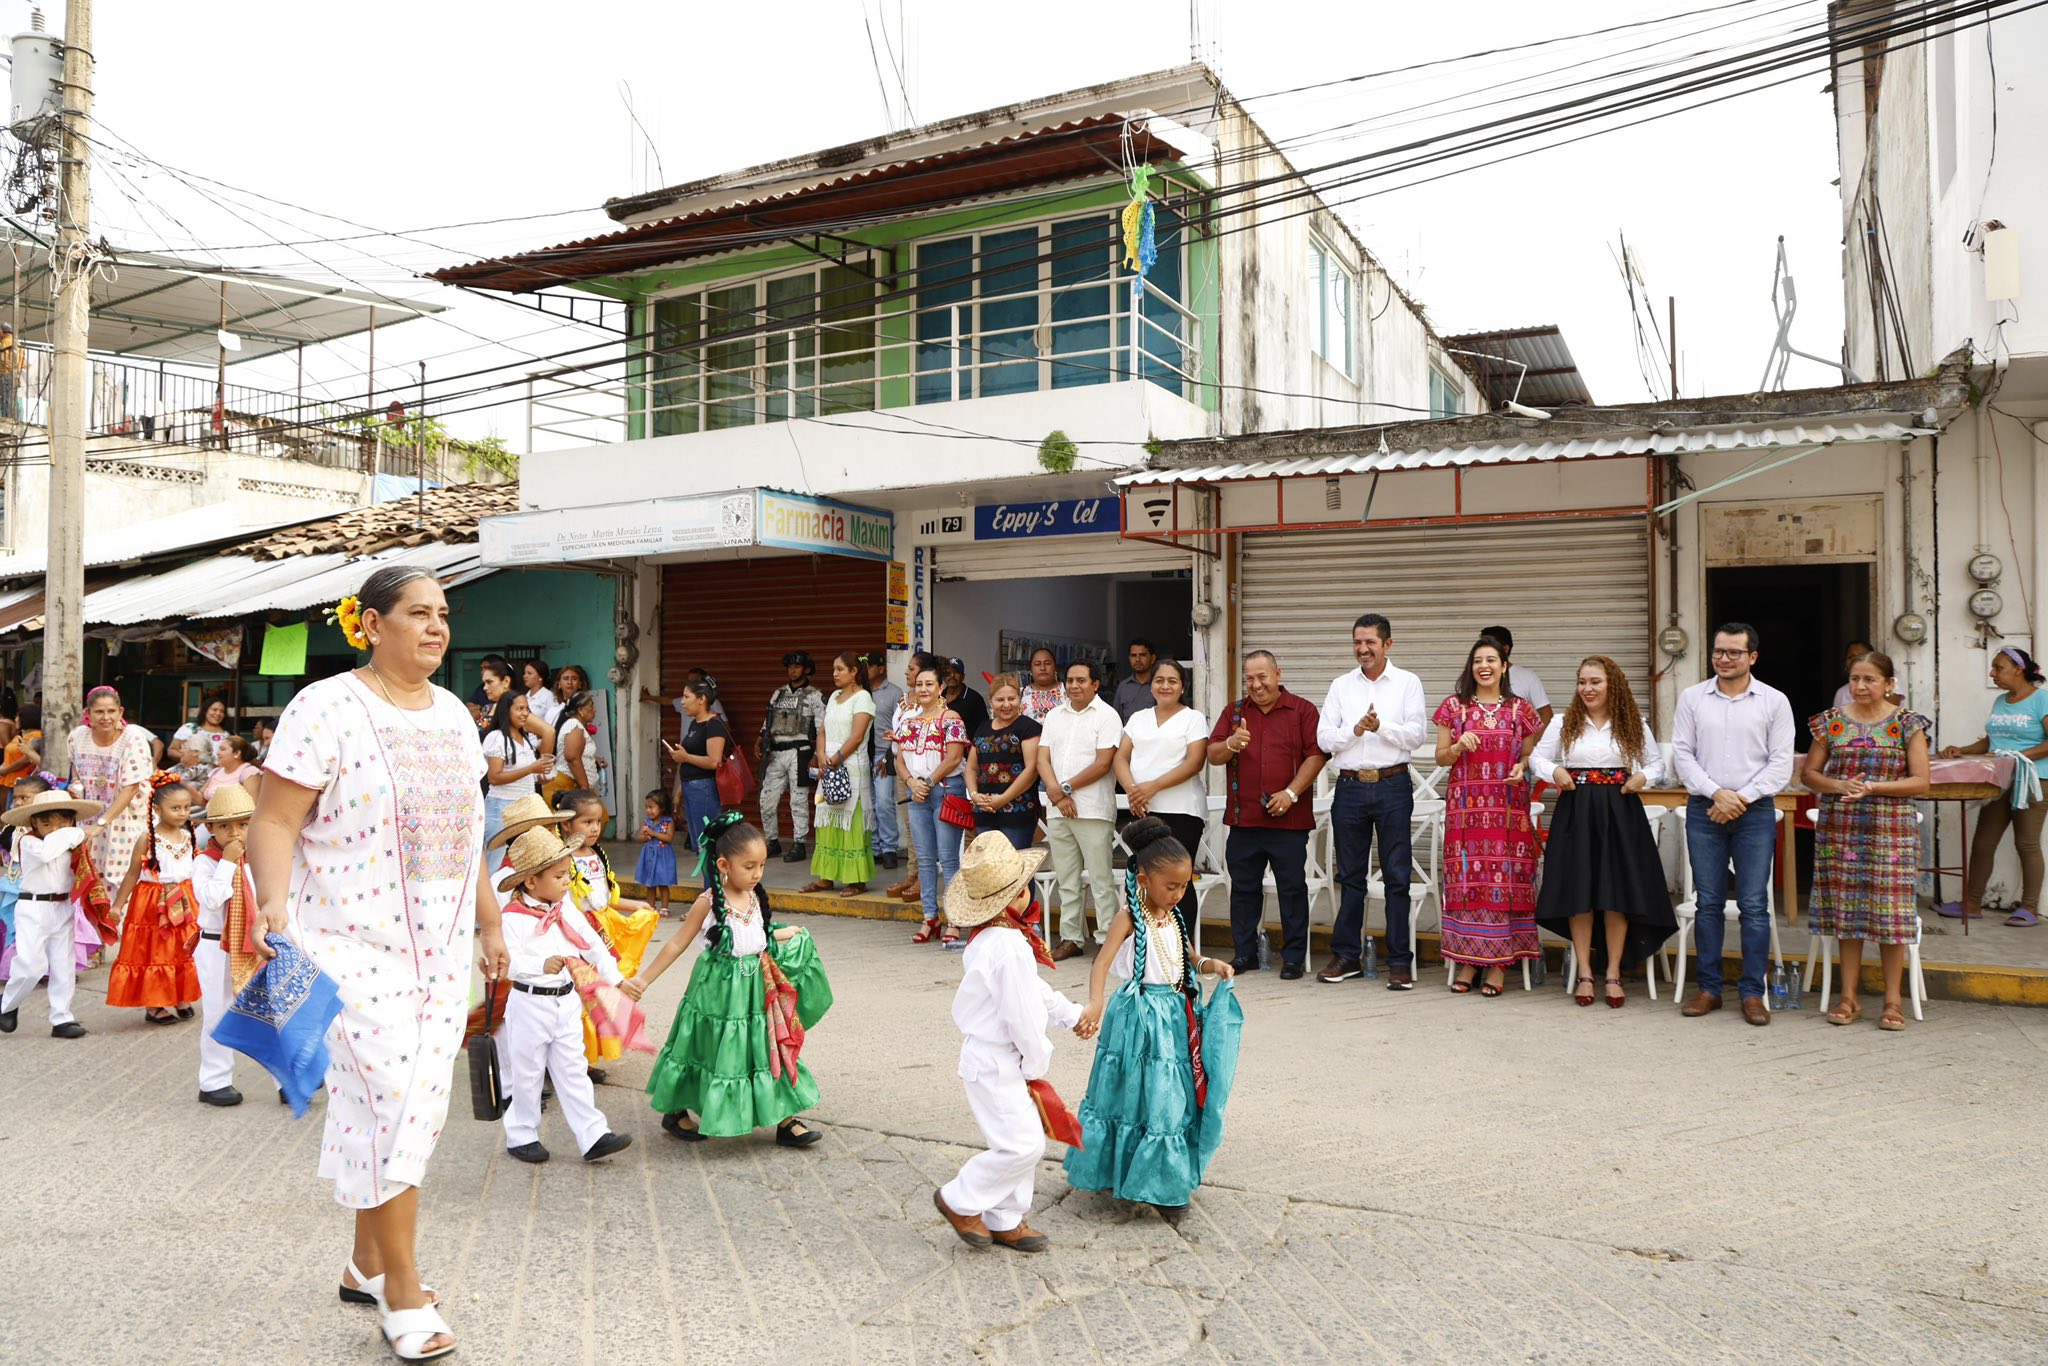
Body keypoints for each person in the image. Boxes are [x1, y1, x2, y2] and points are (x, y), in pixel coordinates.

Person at [248, 565, 509, 1362]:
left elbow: (471, 838)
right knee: (393, 1101)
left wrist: (490, 923)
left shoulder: (458, 719)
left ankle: (365, 1262)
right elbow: (273, 821)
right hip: (347, 947)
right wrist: (271, 907)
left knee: (405, 1109)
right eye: (418, 614)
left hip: (436, 957)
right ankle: (402, 1291)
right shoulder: (324, 707)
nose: (436, 627)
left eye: (443, 615)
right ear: (369, 623)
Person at [1065, 818, 1240, 1216]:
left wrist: (1211, 964)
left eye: (1184, 887)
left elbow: (1188, 959)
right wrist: (1094, 1004)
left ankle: (1160, 1178)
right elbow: (1101, 964)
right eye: (1171, 886)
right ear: (1143, 879)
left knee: (1168, 1097)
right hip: (1138, 1017)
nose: (1178, 894)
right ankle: (1127, 1174)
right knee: (1133, 1093)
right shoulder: (1128, 919)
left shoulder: (1174, 919)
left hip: (1175, 1015)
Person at [630, 812, 832, 1147]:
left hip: (755, 991)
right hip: (717, 991)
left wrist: (785, 934)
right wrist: (644, 980)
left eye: (762, 866)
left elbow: (757, 936)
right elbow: (677, 942)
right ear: (723, 865)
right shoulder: (707, 903)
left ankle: (783, 1119)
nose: (757, 874)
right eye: (749, 866)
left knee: (764, 1050)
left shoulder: (754, 897)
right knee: (704, 1048)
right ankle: (676, 1109)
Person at [932, 831, 1082, 1254]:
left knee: (1022, 1137)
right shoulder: (1009, 946)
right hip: (997, 1059)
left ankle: (1006, 1217)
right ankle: (960, 1199)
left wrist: (1069, 1015)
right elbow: (1023, 1014)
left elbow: (1032, 991)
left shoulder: (994, 937)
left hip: (993, 1057)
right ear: (1019, 894)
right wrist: (1036, 1061)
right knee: (1023, 1144)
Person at [1671, 622, 1796, 1026]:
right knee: (1707, 903)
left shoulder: (1774, 702)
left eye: (1734, 653)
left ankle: (1752, 993)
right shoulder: (1692, 698)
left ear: (1752, 657)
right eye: (1719, 651)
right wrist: (1716, 793)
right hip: (1704, 809)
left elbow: (1780, 764)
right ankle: (1708, 988)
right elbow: (1683, 754)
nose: (1724, 659)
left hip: (1753, 811)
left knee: (1755, 905)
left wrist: (1739, 799)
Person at [1532, 656, 1674, 1007]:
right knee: (1579, 891)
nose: (1587, 689)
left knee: (1616, 893)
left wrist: (1643, 777)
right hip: (1576, 808)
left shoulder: (1632, 723)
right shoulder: (1564, 723)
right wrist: (1555, 772)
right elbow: (1537, 758)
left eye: (1595, 681)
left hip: (1619, 809)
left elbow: (1657, 763)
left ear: (1612, 684)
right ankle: (1584, 973)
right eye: (1582, 682)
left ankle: (1612, 972)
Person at [1803, 651, 1931, 1030]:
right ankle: (1849, 997)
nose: (1860, 686)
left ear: (1889, 684)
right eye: (1855, 679)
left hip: (1891, 829)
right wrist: (1839, 784)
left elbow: (1921, 781)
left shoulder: (1908, 724)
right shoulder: (1831, 723)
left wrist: (1873, 787)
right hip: (1841, 827)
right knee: (1848, 912)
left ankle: (1893, 1002)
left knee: (1891, 915)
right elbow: (1809, 774)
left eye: (1870, 680)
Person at [495, 826, 634, 1165]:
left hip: (566, 1001)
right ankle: (522, 1134)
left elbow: (592, 943)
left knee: (573, 1069)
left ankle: (593, 1134)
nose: (565, 882)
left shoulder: (566, 907)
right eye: (558, 876)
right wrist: (540, 964)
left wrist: (615, 979)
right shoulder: (512, 918)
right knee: (527, 1073)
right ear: (531, 881)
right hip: (530, 1003)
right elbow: (507, 962)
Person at [1316, 614, 1428, 987]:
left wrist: (1382, 728)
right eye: (1357, 642)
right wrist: (1357, 730)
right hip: (1349, 788)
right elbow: (1325, 739)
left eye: (1371, 643)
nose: (1363, 649)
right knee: (1350, 876)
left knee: (1397, 875)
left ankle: (1398, 961)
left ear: (1387, 644)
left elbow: (1416, 735)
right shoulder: (1341, 686)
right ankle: (1346, 956)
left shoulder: (1408, 683)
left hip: (1392, 786)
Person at [1433, 639, 1546, 996]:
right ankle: (1467, 960)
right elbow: (1440, 758)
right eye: (1478, 660)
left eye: (1491, 660)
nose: (1484, 666)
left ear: (1505, 666)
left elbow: (1528, 756)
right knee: (1467, 884)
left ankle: (1498, 965)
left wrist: (1521, 766)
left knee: (1504, 883)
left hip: (1507, 809)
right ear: (1471, 667)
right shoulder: (1453, 708)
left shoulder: (1520, 709)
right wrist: (1456, 747)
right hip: (1465, 811)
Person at [1206, 651, 1326, 979]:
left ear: (1277, 674)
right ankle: (1244, 954)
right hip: (1244, 819)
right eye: (1250, 679)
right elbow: (1213, 754)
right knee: (1243, 889)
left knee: (1291, 889)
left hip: (1288, 819)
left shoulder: (1302, 710)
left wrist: (1290, 793)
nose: (1256, 685)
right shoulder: (1234, 712)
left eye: (1263, 677)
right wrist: (1231, 742)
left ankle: (1293, 958)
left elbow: (1316, 756)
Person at [1939, 646, 2048, 927]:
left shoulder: (2041, 700)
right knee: (1984, 842)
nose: (1993, 673)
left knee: (2026, 843)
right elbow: (1991, 742)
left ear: (2018, 669)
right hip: (1998, 780)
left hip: (2034, 781)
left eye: (1999, 667)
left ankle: (2029, 908)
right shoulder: (2001, 701)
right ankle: (1972, 902)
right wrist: (1961, 750)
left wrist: (2019, 756)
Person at [0, 787, 102, 1039]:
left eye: (63, 822)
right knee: (31, 966)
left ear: (71, 819)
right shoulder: (28, 841)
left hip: (63, 906)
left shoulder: (71, 843)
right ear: (33, 822)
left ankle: (61, 1017)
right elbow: (48, 852)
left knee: (63, 965)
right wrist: (74, 831)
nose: (54, 829)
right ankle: (7, 1005)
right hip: (33, 908)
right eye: (47, 823)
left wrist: (75, 834)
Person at [1038, 660, 1124, 961]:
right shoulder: (1054, 715)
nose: (1073, 686)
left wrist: (1064, 790)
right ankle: (1071, 938)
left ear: (1095, 684)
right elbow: (1042, 759)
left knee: (1100, 879)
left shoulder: (1107, 716)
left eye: (1081, 680)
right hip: (1059, 809)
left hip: (1092, 809)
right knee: (1067, 879)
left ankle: (1106, 941)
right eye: (1069, 680)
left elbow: (1103, 764)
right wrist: (1058, 795)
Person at [1115, 658, 1209, 927]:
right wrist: (1134, 791)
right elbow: (1120, 758)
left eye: (1172, 681)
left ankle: (1181, 947)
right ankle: (1145, 940)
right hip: (1144, 810)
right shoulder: (1137, 718)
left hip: (1182, 811)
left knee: (1177, 879)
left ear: (1183, 687)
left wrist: (1153, 787)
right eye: (1159, 680)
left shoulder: (1193, 718)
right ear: (1151, 686)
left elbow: (1194, 762)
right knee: (1143, 876)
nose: (1165, 686)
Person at [106, 777, 201, 1024]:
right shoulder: (147, 839)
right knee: (156, 951)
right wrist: (118, 905)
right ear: (157, 810)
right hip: (152, 900)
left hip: (185, 897)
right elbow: (132, 874)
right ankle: (155, 1003)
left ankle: (180, 996)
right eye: (175, 808)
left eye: (186, 807)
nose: (182, 813)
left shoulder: (189, 835)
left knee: (183, 948)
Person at [192, 783, 259, 1106]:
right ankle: (214, 1081)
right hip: (215, 945)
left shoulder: (260, 860)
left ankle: (286, 1079)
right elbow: (210, 898)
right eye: (224, 826)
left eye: (243, 824)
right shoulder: (206, 862)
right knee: (218, 1014)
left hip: (255, 944)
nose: (234, 833)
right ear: (210, 828)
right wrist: (228, 863)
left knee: (270, 1012)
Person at [896, 662, 970, 945]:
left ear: (941, 688)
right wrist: (911, 782)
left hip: (946, 790)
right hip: (917, 794)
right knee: (925, 860)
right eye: (919, 684)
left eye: (930, 684)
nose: (923, 689)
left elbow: (953, 758)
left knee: (949, 859)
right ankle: (930, 918)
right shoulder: (909, 721)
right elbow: (899, 759)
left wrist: (926, 783)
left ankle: (954, 919)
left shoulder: (951, 718)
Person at [556, 789, 660, 983]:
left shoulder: (597, 855)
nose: (595, 828)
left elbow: (603, 899)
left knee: (605, 974)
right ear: (566, 824)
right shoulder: (562, 859)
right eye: (587, 822)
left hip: (603, 927)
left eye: (597, 822)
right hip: (577, 929)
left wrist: (635, 906)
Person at [804, 651, 876, 898]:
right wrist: (822, 755)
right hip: (829, 767)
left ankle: (856, 880)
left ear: (854, 672)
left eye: (840, 669)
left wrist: (835, 759)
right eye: (834, 669)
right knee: (827, 820)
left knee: (850, 822)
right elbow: (822, 730)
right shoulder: (834, 696)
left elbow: (856, 737)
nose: (834, 674)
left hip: (850, 768)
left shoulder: (863, 698)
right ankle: (826, 878)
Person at [68, 685, 155, 888]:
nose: (105, 717)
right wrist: (76, 784)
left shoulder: (132, 739)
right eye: (99, 711)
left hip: (126, 820)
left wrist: (102, 823)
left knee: (122, 881)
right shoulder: (77, 737)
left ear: (120, 712)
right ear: (88, 713)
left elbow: (131, 787)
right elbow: (76, 768)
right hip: (89, 820)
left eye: (111, 711)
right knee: (88, 879)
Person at [759, 652, 825, 863]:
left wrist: (817, 755)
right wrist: (760, 740)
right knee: (766, 801)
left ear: (807, 669)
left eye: (797, 666)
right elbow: (768, 721)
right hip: (777, 753)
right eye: (790, 667)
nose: (792, 670)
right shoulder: (778, 694)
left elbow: (822, 728)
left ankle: (799, 844)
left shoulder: (815, 695)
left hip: (800, 752)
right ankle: (773, 841)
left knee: (798, 802)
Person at [967, 673, 1044, 852]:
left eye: (1012, 698)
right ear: (991, 701)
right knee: (990, 869)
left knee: (1017, 869)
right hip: (985, 811)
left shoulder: (1028, 727)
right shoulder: (983, 727)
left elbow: (1032, 770)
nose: (1006, 705)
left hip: (1018, 812)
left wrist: (1002, 799)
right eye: (1000, 699)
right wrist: (974, 794)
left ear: (1020, 698)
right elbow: (971, 767)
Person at [482, 693, 555, 849]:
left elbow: (526, 775)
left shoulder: (524, 738)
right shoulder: (497, 738)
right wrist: (530, 769)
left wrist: (540, 777)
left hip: (525, 807)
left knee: (523, 857)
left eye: (527, 709)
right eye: (519, 709)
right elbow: (494, 777)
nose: (525, 713)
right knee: (495, 858)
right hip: (502, 807)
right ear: (506, 711)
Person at [664, 678, 728, 852]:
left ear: (702, 699)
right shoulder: (694, 724)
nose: (682, 702)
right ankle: (708, 880)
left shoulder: (714, 724)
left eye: (686, 697)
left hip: (704, 789)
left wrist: (685, 757)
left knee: (707, 845)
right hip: (690, 788)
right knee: (698, 845)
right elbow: (687, 760)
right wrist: (678, 793)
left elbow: (714, 762)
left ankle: (713, 880)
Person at [864, 652, 905, 870]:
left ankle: (889, 848)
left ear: (881, 668)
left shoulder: (895, 693)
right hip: (863, 754)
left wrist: (889, 757)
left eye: (869, 666)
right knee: (867, 804)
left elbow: (899, 729)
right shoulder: (860, 691)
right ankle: (875, 849)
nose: (866, 670)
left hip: (883, 754)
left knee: (883, 802)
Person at [1480, 625, 1554, 731]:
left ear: (1505, 649)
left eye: (1489, 647)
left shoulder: (1527, 677)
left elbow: (1547, 716)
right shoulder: (1476, 677)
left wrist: (1534, 745)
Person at [544, 691, 600, 809]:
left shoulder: (576, 726)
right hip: (567, 785)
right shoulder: (574, 725)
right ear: (580, 710)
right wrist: (584, 787)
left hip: (574, 785)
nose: (595, 710)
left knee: (599, 818)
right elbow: (572, 757)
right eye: (591, 706)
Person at [1831, 640, 1906, 711]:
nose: (1856, 659)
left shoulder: (1888, 679)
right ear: (1845, 662)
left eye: (1870, 679)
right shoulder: (1841, 693)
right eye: (1851, 657)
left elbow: (1890, 714)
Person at [635, 790, 677, 915]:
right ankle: (651, 907)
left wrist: (654, 834)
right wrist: (644, 837)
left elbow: (669, 838)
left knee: (663, 883)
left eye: (652, 807)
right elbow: (639, 837)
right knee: (650, 884)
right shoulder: (646, 822)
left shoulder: (668, 822)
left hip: (663, 857)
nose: (648, 811)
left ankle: (664, 907)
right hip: (649, 856)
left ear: (662, 808)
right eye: (647, 807)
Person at [200, 734, 263, 810]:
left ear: (237, 753)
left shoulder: (249, 772)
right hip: (211, 818)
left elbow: (253, 805)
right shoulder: (216, 772)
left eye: (222, 749)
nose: (217, 753)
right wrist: (186, 786)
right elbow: (201, 798)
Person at [0, 702, 42, 809]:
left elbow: (26, 759)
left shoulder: (35, 737)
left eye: (18, 716)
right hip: (12, 782)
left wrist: (5, 770)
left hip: (23, 784)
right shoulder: (23, 735)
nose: (15, 719)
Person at [1112, 638, 1161, 722]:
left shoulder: (1161, 686)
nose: (1137, 659)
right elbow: (1115, 720)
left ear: (1152, 658)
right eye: (1133, 655)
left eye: (1142, 655)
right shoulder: (1123, 687)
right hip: (1127, 735)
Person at [943, 657, 990, 741]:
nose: (952, 676)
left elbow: (984, 728)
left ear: (963, 677)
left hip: (967, 750)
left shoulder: (974, 698)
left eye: (956, 672)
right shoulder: (938, 697)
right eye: (948, 673)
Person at [472, 654, 514, 732]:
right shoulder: (487, 708)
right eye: (484, 683)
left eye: (489, 682)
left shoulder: (516, 708)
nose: (484, 688)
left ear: (506, 681)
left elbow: (543, 730)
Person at [1021, 648, 1064, 722]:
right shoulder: (1021, 693)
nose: (1042, 668)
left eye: (1047, 663)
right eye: (1037, 664)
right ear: (1031, 669)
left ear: (1055, 667)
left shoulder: (1068, 690)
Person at [521, 658, 560, 727]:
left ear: (540, 677)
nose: (525, 676)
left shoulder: (548, 696)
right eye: (525, 673)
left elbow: (554, 721)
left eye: (529, 673)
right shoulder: (524, 696)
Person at [0, 320, 24, 421]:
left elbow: (2, 359)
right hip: (15, 374)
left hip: (6, 373)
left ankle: (7, 418)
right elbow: (23, 362)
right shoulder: (18, 343)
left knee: (6, 398)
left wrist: (4, 370)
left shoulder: (4, 343)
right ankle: (14, 418)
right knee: (12, 397)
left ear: (2, 331)